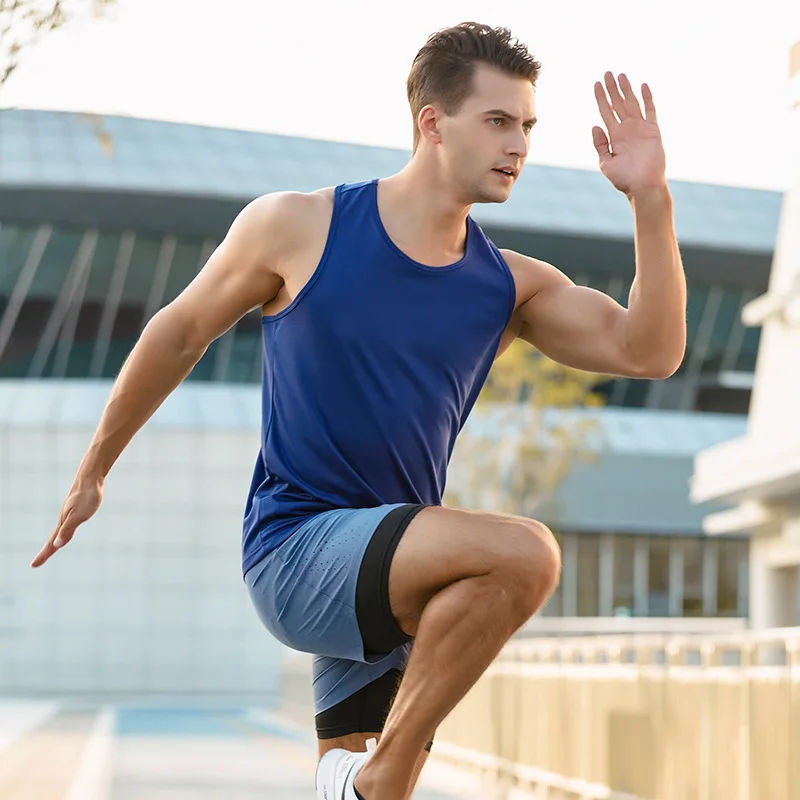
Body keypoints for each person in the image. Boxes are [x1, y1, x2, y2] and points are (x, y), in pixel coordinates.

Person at [31, 20, 687, 800]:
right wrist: (95, 468)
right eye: (499, 121)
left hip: (396, 571)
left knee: (352, 776)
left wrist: (650, 198)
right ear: (433, 123)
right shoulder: (300, 227)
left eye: (528, 126)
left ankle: (370, 779)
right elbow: (177, 333)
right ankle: (384, 775)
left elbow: (650, 353)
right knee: (524, 555)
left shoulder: (509, 285)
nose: (520, 145)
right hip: (297, 552)